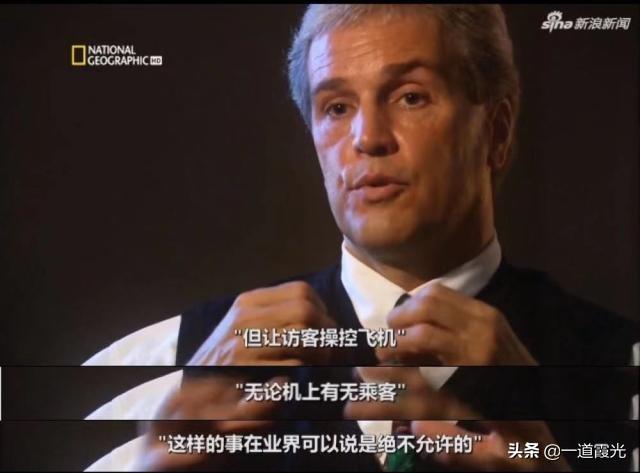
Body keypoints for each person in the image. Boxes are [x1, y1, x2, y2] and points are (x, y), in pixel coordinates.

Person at [84, 4, 638, 472]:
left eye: (410, 97)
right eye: (337, 107)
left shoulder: (620, 371)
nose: (368, 138)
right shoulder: (172, 365)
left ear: (496, 131)